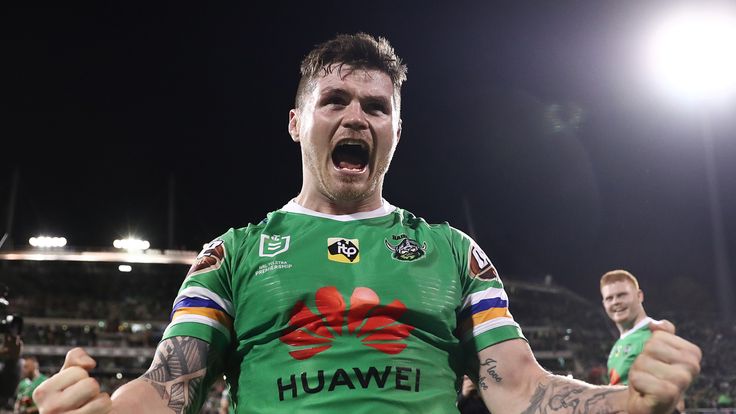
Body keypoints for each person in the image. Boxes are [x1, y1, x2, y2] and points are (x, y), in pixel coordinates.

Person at [33, 32, 701, 413]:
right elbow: (169, 388)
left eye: (377, 108)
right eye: (334, 100)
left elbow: (521, 387)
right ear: (297, 124)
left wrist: (630, 405)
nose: (356, 117)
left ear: (396, 131)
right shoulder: (228, 256)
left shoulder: (454, 252)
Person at [600, 269, 687, 412]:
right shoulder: (617, 345)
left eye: (622, 295)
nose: (616, 302)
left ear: (639, 296)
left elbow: (674, 399)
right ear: (604, 303)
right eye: (610, 298)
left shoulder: (655, 334)